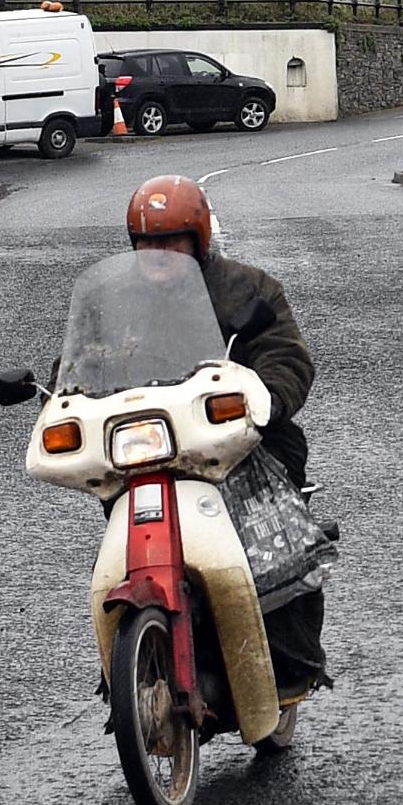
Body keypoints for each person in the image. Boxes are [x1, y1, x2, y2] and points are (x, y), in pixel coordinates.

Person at [124, 173, 327, 694]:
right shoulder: (118, 301)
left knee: (273, 544)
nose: (159, 253)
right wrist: (64, 391)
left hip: (236, 440)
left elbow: (285, 355)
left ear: (197, 239)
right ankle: (133, 666)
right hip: (155, 443)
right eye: (148, 243)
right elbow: (87, 358)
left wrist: (267, 399)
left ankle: (288, 662)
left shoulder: (249, 290)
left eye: (171, 240)